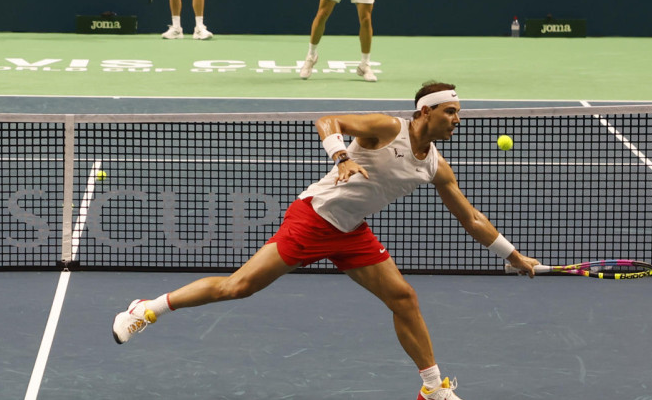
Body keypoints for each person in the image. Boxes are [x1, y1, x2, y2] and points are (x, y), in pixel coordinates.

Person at [111, 81, 540, 400]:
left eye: (458, 113)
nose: (457, 120)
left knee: (403, 298)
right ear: (425, 112)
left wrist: (515, 257)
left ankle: (433, 389)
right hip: (314, 220)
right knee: (238, 287)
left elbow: (471, 218)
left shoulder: (436, 168)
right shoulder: (387, 129)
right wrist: (343, 158)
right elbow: (327, 120)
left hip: (351, 232)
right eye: (450, 112)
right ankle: (148, 309)